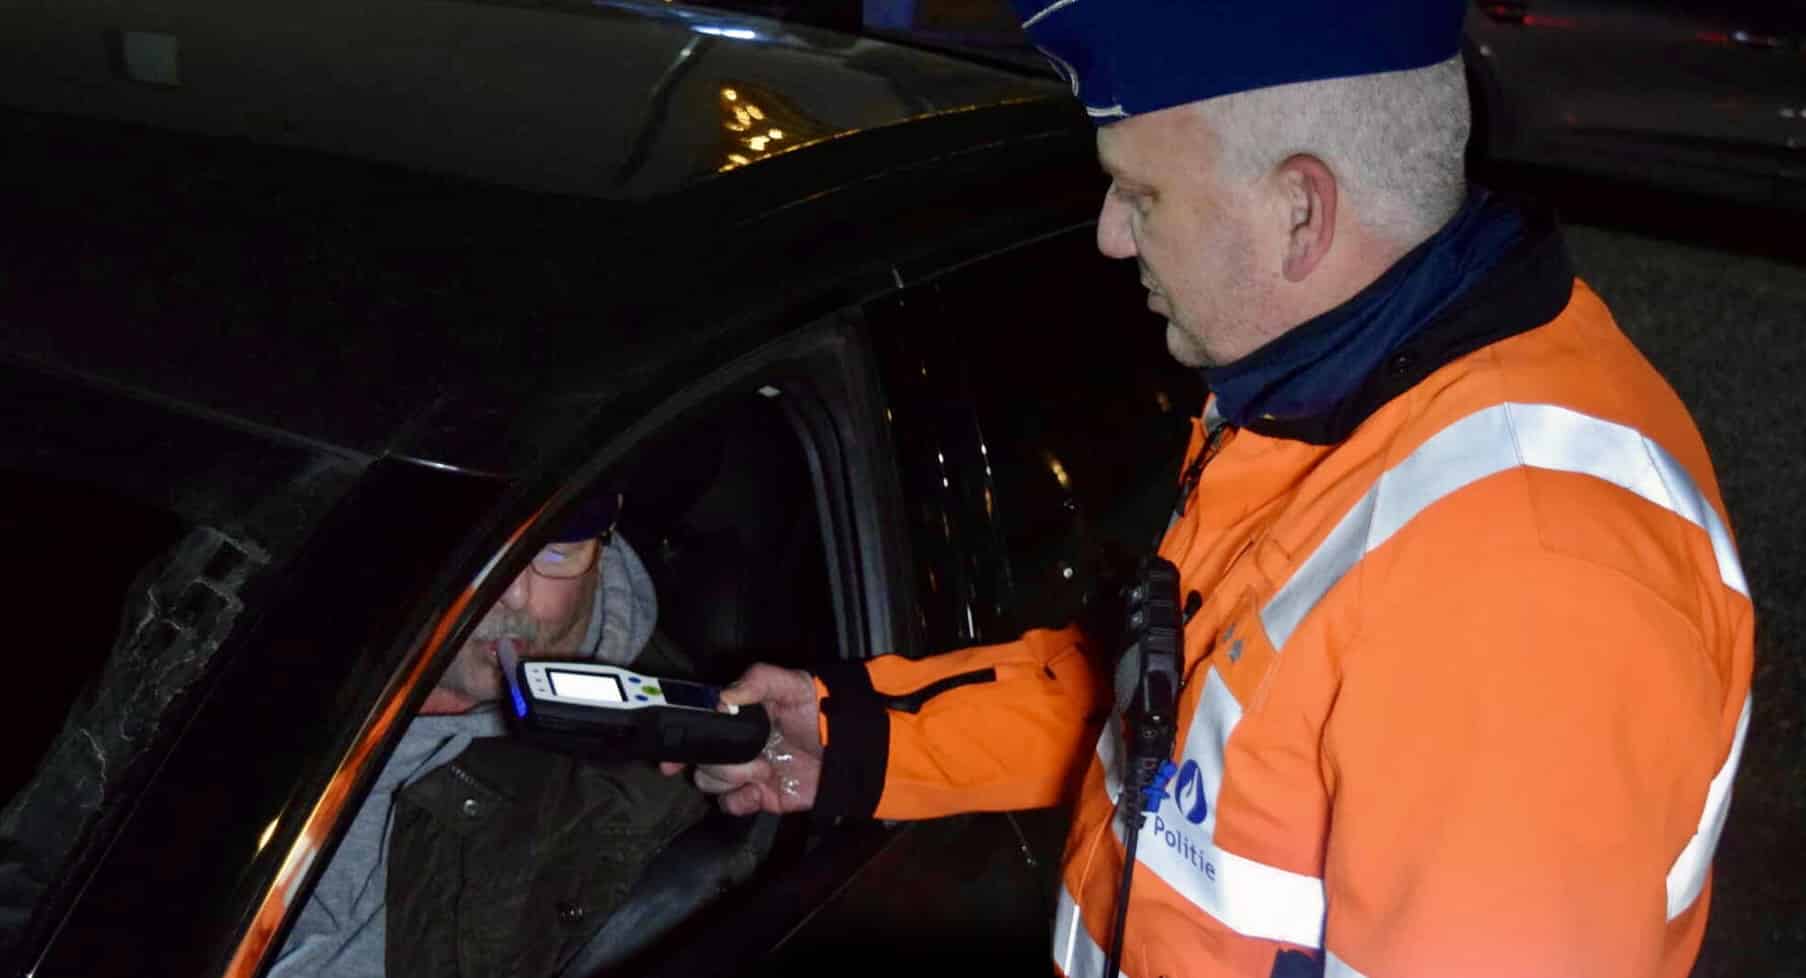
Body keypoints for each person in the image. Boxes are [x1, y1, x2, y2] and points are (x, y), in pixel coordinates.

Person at [665, 2, 1757, 976]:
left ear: (1300, 213)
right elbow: (1181, 713)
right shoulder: (1344, 396)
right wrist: (857, 737)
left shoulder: (1523, 592)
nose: (1108, 234)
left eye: (1141, 192)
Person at [275, 492, 707, 978]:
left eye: (555, 551)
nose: (516, 594)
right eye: (482, 548)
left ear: (602, 552)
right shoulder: (282, 617)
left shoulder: (642, 777)